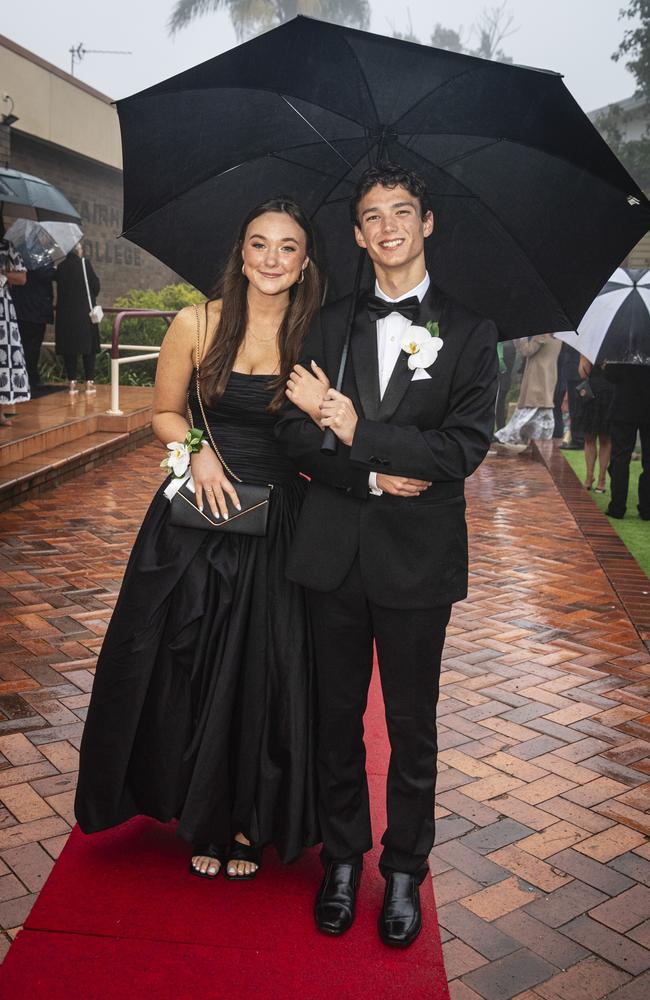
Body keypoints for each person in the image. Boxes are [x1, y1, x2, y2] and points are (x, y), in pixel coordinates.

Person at [276, 164, 498, 948]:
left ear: (427, 223)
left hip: (417, 561)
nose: (387, 226)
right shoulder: (327, 325)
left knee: (412, 725)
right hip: (332, 552)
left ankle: (405, 868)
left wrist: (357, 425)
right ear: (359, 234)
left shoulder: (471, 332)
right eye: (371, 216)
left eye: (401, 211)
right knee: (334, 719)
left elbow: (462, 447)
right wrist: (367, 467)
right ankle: (342, 859)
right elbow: (294, 435)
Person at [75, 199, 321, 880]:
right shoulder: (197, 321)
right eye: (259, 244)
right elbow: (162, 412)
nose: (271, 259)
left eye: (288, 248)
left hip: (279, 524)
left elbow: (326, 436)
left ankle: (247, 821)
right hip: (198, 515)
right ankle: (200, 814)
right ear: (240, 254)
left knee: (263, 672)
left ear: (304, 265)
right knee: (184, 663)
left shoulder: (315, 336)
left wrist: (320, 410)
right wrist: (196, 450)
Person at [494, 334, 561, 454]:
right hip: (548, 375)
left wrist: (521, 338)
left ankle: (505, 437)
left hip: (537, 377)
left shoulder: (542, 335)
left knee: (529, 410)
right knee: (539, 410)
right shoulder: (558, 338)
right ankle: (524, 440)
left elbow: (527, 350)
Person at [604, 364, 650, 520]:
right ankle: (647, 508)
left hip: (624, 405)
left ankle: (617, 506)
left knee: (620, 458)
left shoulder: (623, 343)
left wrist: (606, 367)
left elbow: (612, 375)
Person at [54, 242, 101, 395]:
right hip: (84, 314)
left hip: (65, 316)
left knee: (70, 349)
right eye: (81, 248)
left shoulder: (60, 267)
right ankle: (89, 383)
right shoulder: (84, 263)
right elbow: (95, 286)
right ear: (78, 250)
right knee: (89, 348)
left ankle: (72, 383)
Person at [0, 226, 30, 427]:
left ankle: (1, 411)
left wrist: (3, 274)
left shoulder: (6, 246)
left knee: (3, 357)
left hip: (2, 309)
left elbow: (22, 277)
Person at [11, 262, 56, 391]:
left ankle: (25, 378)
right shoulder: (37, 258)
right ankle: (31, 379)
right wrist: (54, 269)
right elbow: (45, 274)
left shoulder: (19, 255)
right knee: (32, 347)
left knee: (25, 346)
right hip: (35, 311)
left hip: (22, 309)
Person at [575, 354, 613, 493]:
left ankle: (599, 479)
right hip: (593, 395)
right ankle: (591, 477)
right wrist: (583, 356)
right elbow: (583, 372)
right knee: (592, 438)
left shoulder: (611, 347)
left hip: (604, 393)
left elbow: (582, 372)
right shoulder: (590, 347)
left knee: (603, 438)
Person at [554, 342, 584, 449]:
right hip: (571, 373)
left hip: (576, 374)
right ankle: (576, 437)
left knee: (577, 408)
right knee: (573, 408)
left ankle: (579, 439)